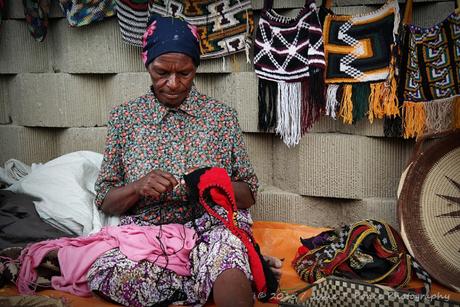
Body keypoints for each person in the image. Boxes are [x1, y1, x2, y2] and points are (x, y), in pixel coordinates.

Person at [85, 14, 281, 307]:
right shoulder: (125, 118)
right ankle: (199, 278)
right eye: (161, 72)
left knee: (227, 260)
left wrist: (212, 183)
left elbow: (248, 193)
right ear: (147, 64)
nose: (173, 84)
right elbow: (106, 199)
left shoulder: (221, 117)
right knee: (105, 273)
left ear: (196, 68)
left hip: (212, 226)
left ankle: (213, 270)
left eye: (185, 73)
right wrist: (138, 186)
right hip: (149, 234)